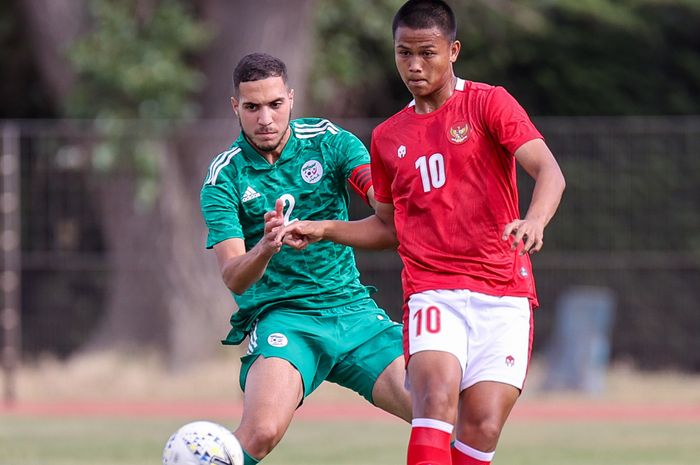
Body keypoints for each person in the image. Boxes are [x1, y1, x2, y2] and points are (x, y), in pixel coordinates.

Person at [282, 1, 566, 464]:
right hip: (434, 291)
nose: (414, 65)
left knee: (483, 425)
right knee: (434, 398)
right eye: (403, 53)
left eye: (427, 53)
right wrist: (325, 229)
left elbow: (549, 171)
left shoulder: (488, 103)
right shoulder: (388, 137)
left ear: (453, 50)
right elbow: (388, 227)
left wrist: (534, 220)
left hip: (504, 291)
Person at [199, 52, 411, 465]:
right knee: (260, 432)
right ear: (234, 107)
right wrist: (265, 246)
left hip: (354, 313)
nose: (266, 118)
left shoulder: (330, 142)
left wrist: (383, 196)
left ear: (291, 99)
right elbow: (234, 277)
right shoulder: (224, 177)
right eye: (252, 107)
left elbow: (383, 209)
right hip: (284, 318)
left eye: (275, 104)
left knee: (438, 416)